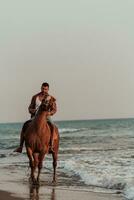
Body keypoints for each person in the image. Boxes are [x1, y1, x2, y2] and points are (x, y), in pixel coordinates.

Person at [14, 82, 57, 153]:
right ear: (41, 88)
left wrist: (50, 113)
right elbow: (30, 107)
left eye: (46, 89)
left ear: (48, 89)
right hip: (35, 116)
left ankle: (51, 146)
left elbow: (54, 109)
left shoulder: (51, 98)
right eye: (43, 88)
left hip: (46, 116)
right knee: (25, 125)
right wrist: (32, 111)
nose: (44, 90)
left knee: (52, 126)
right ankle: (20, 146)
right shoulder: (35, 97)